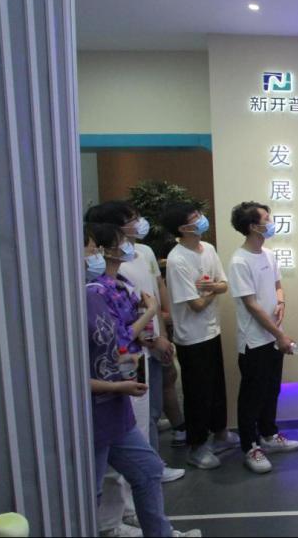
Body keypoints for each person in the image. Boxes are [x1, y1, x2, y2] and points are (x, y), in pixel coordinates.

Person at [84, 222, 201, 538]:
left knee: (147, 469)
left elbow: (124, 341)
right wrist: (149, 313)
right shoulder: (93, 293)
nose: (128, 244)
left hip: (118, 399)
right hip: (96, 407)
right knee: (92, 491)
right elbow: (118, 339)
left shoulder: (118, 285)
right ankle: (110, 526)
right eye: (92, 248)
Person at [86, 201, 185, 483]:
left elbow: (153, 291)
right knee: (132, 424)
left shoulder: (130, 268)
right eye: (131, 219)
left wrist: (160, 329)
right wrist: (151, 318)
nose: (138, 223)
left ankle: (150, 468)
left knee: (145, 414)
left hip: (139, 353)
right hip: (121, 364)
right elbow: (123, 332)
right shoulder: (98, 288)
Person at [161, 203, 239, 469]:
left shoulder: (208, 249)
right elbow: (194, 304)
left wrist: (212, 289)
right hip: (191, 336)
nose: (201, 220)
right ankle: (197, 446)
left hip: (212, 329)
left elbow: (224, 284)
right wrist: (213, 290)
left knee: (216, 386)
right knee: (198, 392)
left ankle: (221, 434)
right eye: (194, 218)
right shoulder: (177, 259)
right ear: (183, 228)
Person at [227, 202, 298, 474]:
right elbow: (251, 305)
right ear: (252, 227)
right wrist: (280, 334)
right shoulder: (239, 261)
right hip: (255, 340)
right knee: (252, 396)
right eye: (266, 219)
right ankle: (250, 447)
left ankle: (269, 435)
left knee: (272, 389)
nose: (271, 223)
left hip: (273, 338)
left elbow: (278, 286)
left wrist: (281, 303)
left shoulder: (268, 255)